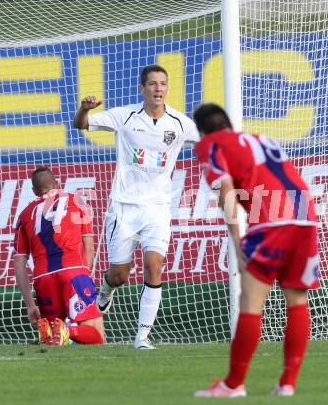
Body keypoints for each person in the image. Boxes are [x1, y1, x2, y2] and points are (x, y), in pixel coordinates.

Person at [192, 104, 320, 397]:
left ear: (202, 131)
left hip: (273, 218)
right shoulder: (261, 138)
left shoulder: (211, 144)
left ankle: (233, 385)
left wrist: (237, 240)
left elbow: (226, 191)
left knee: (250, 300)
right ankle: (287, 384)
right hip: (304, 213)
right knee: (297, 301)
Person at [73, 65, 199, 349]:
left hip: (157, 207)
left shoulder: (180, 123)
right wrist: (84, 109)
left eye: (163, 84)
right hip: (124, 207)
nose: (158, 89)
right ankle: (105, 290)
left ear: (168, 88)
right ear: (142, 88)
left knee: (154, 265)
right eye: (152, 84)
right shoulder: (125, 116)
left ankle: (142, 337)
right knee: (119, 275)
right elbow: (81, 124)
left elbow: (211, 142)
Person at [14, 167, 105, 345]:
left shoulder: (24, 215)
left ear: (34, 191)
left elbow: (19, 263)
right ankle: (67, 330)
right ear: (58, 184)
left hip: (43, 278)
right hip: (74, 272)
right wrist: (84, 276)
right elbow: (89, 246)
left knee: (52, 339)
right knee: (96, 333)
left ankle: (54, 331)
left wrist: (30, 304)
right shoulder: (77, 201)